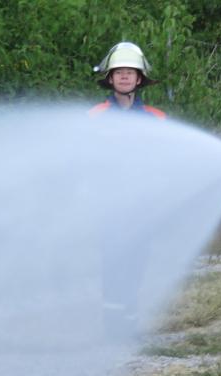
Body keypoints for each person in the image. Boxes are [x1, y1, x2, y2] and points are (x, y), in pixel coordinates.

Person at [88, 42, 165, 337]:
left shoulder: (157, 119)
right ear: (109, 77)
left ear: (139, 79)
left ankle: (129, 323)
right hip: (109, 205)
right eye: (118, 72)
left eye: (129, 72)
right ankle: (112, 327)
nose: (123, 77)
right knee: (113, 263)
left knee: (136, 263)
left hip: (143, 205)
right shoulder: (95, 116)